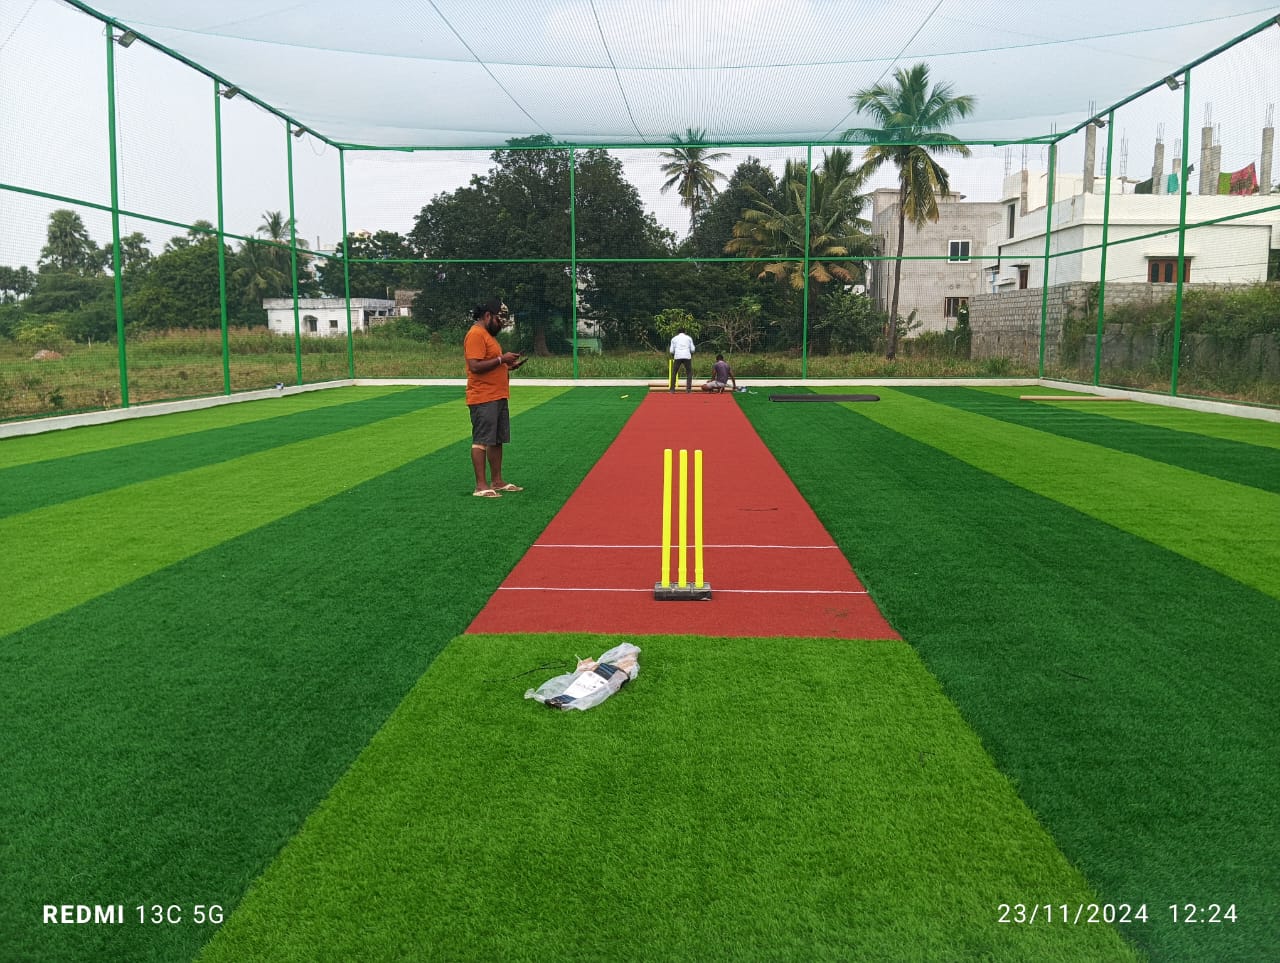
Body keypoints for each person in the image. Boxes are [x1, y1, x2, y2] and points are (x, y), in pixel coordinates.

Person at [464, 297, 526, 498]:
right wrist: (501, 359)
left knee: (497, 440)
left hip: (497, 395)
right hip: (483, 397)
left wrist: (507, 365)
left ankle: (497, 481)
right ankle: (481, 486)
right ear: (488, 316)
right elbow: (474, 365)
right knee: (481, 440)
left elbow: (490, 362)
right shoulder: (475, 334)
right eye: (499, 321)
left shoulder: (488, 336)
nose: (500, 325)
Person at [668, 326, 695, 393]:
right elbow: (693, 349)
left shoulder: (674, 339)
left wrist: (675, 353)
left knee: (674, 372)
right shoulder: (689, 338)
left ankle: (672, 389)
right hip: (687, 356)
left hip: (677, 356)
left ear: (678, 332)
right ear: (685, 332)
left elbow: (671, 351)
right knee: (689, 373)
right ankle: (688, 389)